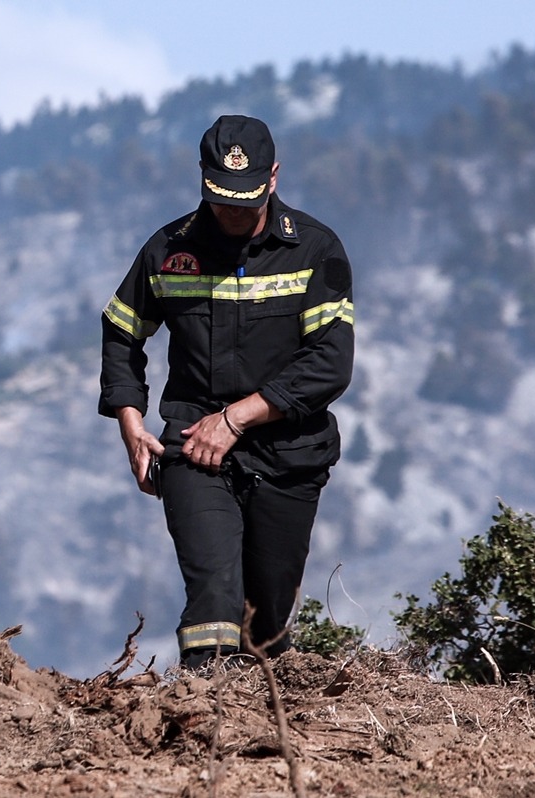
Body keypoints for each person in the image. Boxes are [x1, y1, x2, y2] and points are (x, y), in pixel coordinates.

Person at [99, 114, 355, 670]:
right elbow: (122, 332)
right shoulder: (168, 250)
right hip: (193, 444)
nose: (233, 213)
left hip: (289, 455)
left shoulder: (314, 249)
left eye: (245, 198)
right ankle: (202, 713)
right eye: (220, 198)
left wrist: (237, 419)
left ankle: (257, 738)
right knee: (213, 598)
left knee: (263, 627)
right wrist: (130, 421)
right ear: (202, 180)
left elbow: (331, 364)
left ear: (274, 178)